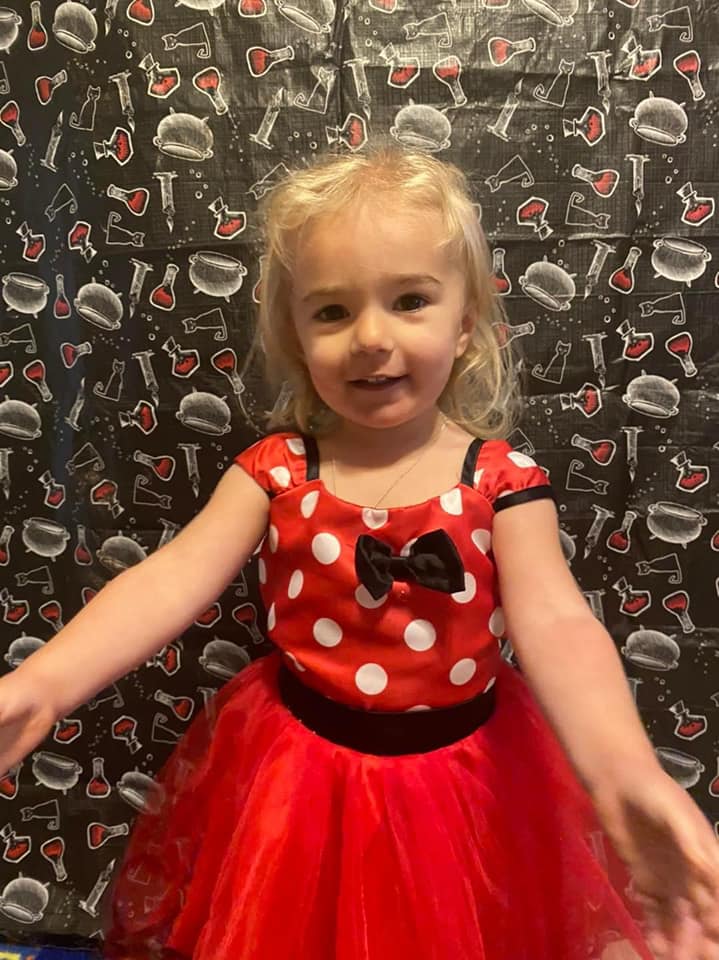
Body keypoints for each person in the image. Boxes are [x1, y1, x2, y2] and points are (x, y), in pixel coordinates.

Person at [1, 145, 718, 960]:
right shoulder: (277, 471)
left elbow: (557, 624)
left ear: (466, 323)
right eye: (332, 312)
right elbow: (169, 580)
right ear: (295, 333)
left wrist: (626, 774)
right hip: (296, 786)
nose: (370, 337)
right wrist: (44, 684)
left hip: (468, 788)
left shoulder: (501, 483)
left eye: (409, 300)